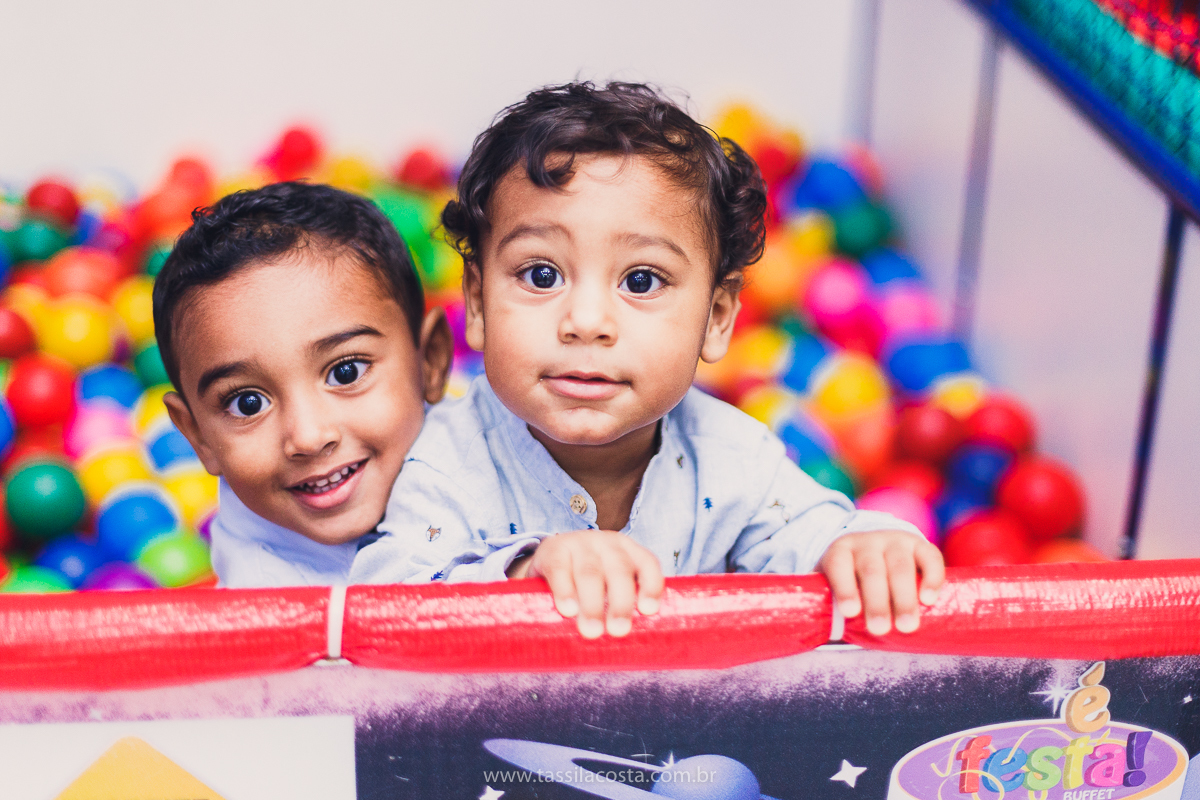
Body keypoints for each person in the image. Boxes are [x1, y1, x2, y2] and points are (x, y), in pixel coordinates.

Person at [351, 82, 944, 640]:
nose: (586, 321)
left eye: (641, 280)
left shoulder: (731, 458)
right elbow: (387, 599)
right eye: (541, 275)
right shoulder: (447, 463)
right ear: (478, 305)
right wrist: (520, 574)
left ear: (717, 319)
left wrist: (863, 546)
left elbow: (813, 529)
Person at [153, 181, 453, 587]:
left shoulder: (501, 444)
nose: (309, 438)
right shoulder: (265, 599)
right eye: (248, 403)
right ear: (199, 438)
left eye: (346, 372)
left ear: (430, 359)